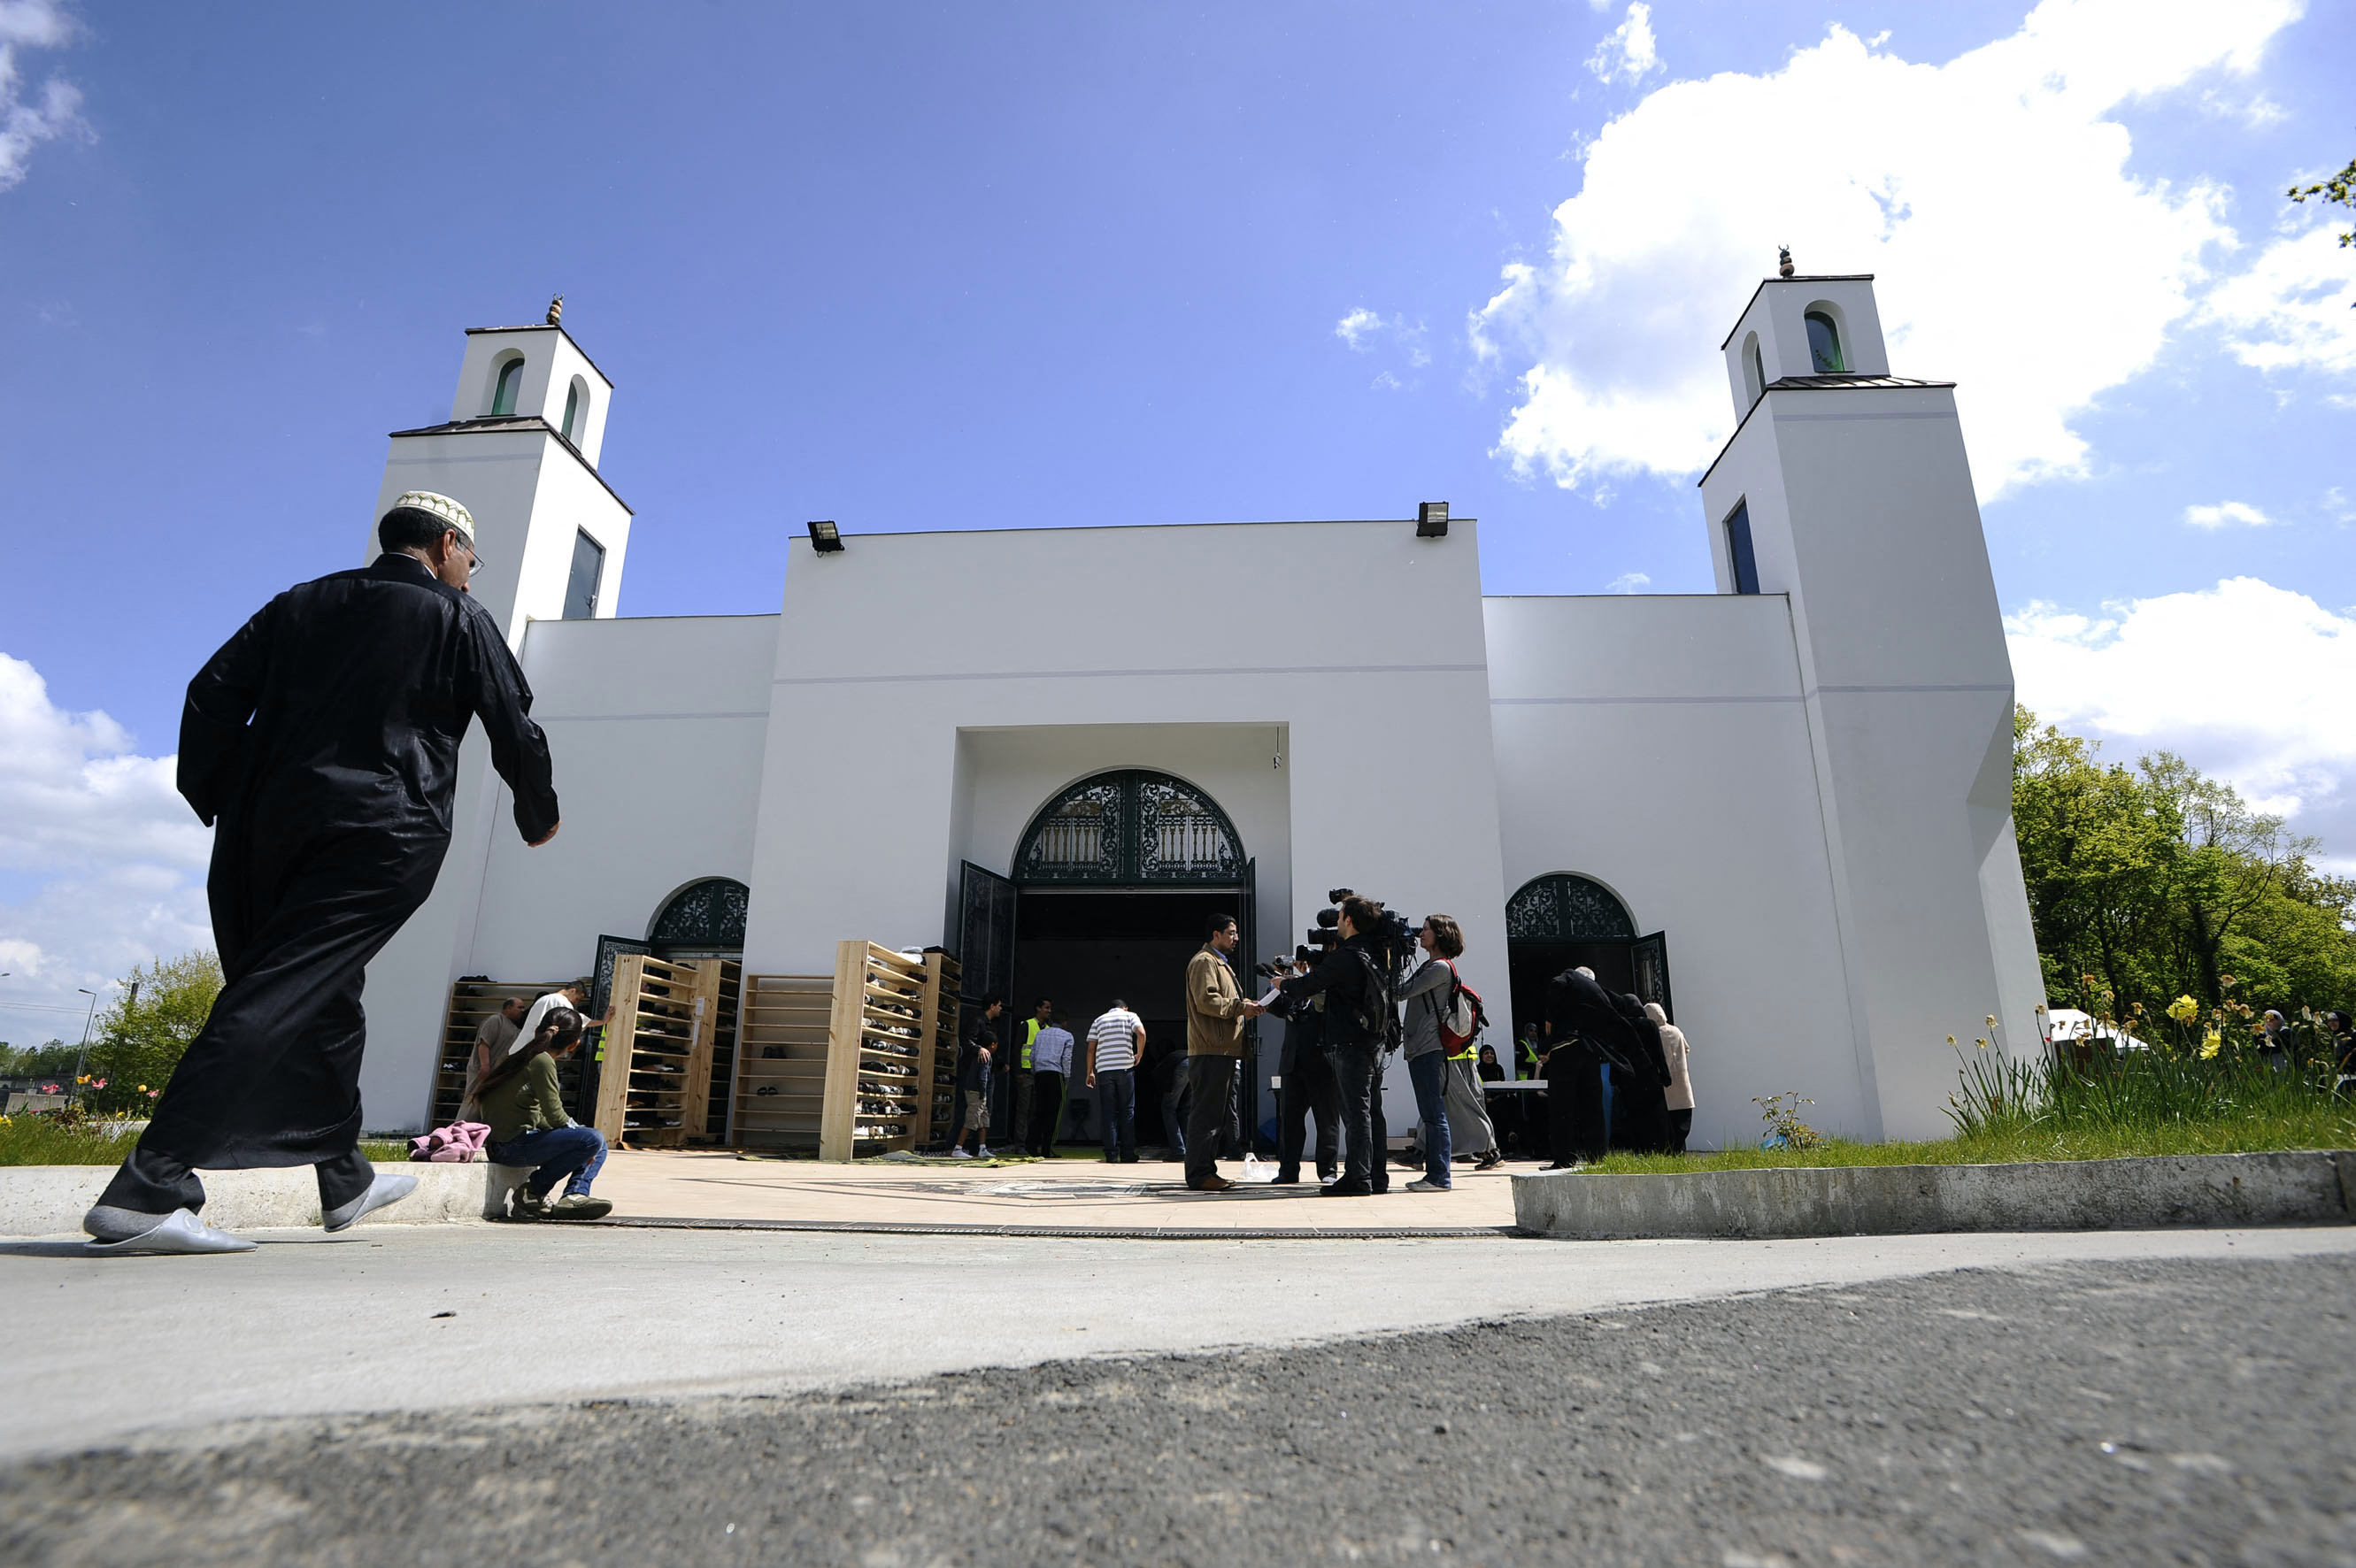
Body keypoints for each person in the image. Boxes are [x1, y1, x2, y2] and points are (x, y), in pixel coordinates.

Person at [85, 491, 560, 1255]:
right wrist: (539, 814)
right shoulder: (458, 617)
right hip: (379, 833)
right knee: (279, 990)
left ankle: (343, 1176)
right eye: (471, 558)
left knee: (325, 992)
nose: (471, 573)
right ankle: (148, 1186)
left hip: (260, 833)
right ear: (446, 546)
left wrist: (223, 796)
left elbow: (207, 698)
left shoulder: (297, 603)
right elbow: (513, 723)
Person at [1274, 895, 1391, 1197]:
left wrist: (1283, 984)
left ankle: (1357, 1179)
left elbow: (1308, 987)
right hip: (1372, 1042)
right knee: (1371, 1112)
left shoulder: (1346, 956)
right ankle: (1376, 1176)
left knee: (1356, 1115)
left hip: (1350, 1043)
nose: (1337, 922)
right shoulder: (1375, 951)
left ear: (1349, 921)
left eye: (1340, 917)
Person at [479, 1008, 612, 1220]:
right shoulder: (543, 1061)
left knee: (595, 1141)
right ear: (573, 1045)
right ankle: (534, 1192)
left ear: (537, 1032)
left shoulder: (521, 1056)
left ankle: (574, 1196)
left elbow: (540, 1116)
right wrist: (583, 1139)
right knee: (593, 1139)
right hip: (510, 1147)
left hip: (502, 1144)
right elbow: (555, 1115)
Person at [1182, 913, 1265, 1192]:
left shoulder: (1219, 963)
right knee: (1206, 1115)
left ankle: (1206, 1171)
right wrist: (1241, 1007)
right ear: (1215, 935)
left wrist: (1246, 1008)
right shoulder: (1205, 962)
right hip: (1211, 1051)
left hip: (1222, 1050)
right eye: (1231, 932)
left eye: (1236, 932)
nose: (1236, 938)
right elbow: (1207, 1001)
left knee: (1214, 1116)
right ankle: (1199, 1174)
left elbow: (1222, 1004)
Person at [1542, 966, 1644, 1168]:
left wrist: (1550, 1020)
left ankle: (1565, 1158)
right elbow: (1619, 1007)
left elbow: (1557, 983)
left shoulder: (1569, 977)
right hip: (1590, 1051)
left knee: (1562, 1107)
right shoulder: (1597, 991)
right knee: (1592, 1107)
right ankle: (1597, 1156)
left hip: (1566, 1048)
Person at [1397, 915, 1464, 1192]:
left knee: (1434, 1114)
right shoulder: (1430, 964)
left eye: (1426, 930)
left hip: (1428, 1047)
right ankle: (1436, 1174)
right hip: (1420, 1047)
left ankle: (1439, 1177)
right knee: (1431, 1113)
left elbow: (1402, 992)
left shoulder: (1439, 968)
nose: (1420, 934)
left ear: (1440, 934)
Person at [1267, 955, 1339, 1185]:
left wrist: (1307, 978)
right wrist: (1277, 978)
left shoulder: (1325, 992)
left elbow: (1326, 1002)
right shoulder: (1293, 992)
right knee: (1290, 1121)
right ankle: (1288, 1171)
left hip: (1322, 1064)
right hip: (1292, 1064)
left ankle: (1328, 1170)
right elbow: (1272, 1005)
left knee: (1326, 1121)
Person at [1610, 990, 1674, 1154]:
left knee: (1634, 1116)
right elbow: (1658, 1053)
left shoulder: (1619, 1027)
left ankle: (1640, 1148)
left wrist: (1614, 1079)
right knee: (1655, 1116)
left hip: (1628, 1079)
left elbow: (1616, 1056)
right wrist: (1665, 1076)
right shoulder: (1649, 1025)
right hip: (1649, 1077)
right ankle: (1659, 1148)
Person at [1087, 998, 1143, 1163]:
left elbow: (1091, 1048)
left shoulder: (1099, 1020)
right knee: (1127, 1111)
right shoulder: (1130, 1016)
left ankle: (1110, 1154)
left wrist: (1090, 1072)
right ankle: (1127, 1154)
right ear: (1125, 1007)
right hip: (1125, 1068)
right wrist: (1139, 1054)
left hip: (1104, 1070)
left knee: (1108, 1113)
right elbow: (1141, 1033)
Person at [458, 995, 527, 1123]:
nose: (522, 1010)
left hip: (496, 1073)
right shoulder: (495, 1020)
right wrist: (485, 1065)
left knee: (485, 1105)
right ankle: (458, 1133)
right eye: (519, 1007)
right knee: (472, 1102)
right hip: (483, 1071)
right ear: (508, 1007)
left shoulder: (514, 1027)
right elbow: (484, 1043)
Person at [952, 995, 1003, 1158]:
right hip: (976, 1081)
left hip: (986, 1076)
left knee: (984, 1115)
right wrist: (979, 1049)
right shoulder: (978, 1022)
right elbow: (967, 1042)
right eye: (999, 1005)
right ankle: (957, 1147)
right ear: (992, 1006)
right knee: (971, 1115)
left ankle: (980, 1148)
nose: (1001, 1009)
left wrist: (1000, 1064)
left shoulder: (992, 1025)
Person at [1648, 1001, 1695, 1153]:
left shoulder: (1655, 1034)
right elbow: (1687, 1049)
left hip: (1664, 1083)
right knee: (1682, 1119)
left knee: (1668, 1124)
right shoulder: (1676, 1031)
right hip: (1682, 1081)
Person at [1028, 1010, 1075, 1156]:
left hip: (1040, 1074)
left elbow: (1032, 1055)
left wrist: (1035, 1072)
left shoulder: (1040, 1034)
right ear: (1065, 1023)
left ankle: (1032, 1146)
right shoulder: (1067, 1036)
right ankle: (1047, 1148)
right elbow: (1066, 1059)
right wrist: (1066, 1079)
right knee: (1054, 1112)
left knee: (1039, 1111)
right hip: (1056, 1074)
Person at [1011, 996, 1051, 1154]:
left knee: (1037, 1111)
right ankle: (1020, 1144)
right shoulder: (1027, 1025)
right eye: (1046, 1008)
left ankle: (1032, 1143)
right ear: (1038, 1008)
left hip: (1041, 1074)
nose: (1049, 1011)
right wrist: (1018, 1071)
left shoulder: (1048, 1029)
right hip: (1026, 1073)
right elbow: (1017, 1049)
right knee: (1023, 1110)